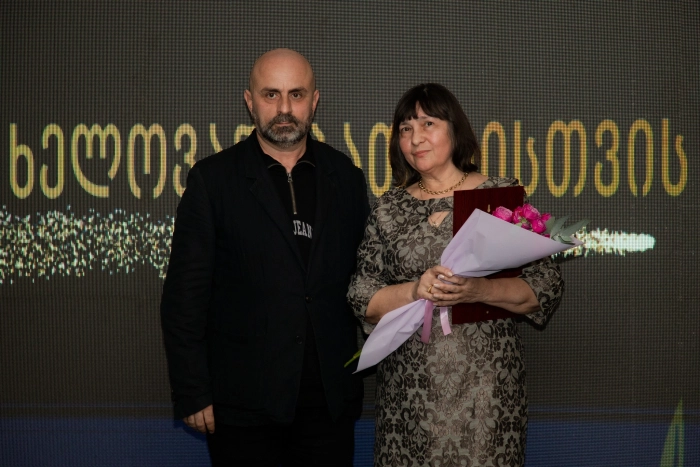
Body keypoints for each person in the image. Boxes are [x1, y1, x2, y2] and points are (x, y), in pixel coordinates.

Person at [160, 48, 369, 466]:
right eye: (271, 94)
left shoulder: (346, 177)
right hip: (242, 407)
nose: (284, 108)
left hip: (327, 405)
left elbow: (363, 279)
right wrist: (193, 390)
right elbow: (184, 298)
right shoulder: (212, 180)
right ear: (249, 101)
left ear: (314, 101)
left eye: (296, 94)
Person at [347, 83, 563, 466]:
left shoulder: (499, 197)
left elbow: (544, 287)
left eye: (428, 124)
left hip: (487, 394)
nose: (416, 138)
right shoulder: (387, 209)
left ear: (454, 128)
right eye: (406, 129)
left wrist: (477, 290)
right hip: (407, 397)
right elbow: (362, 297)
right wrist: (415, 290)